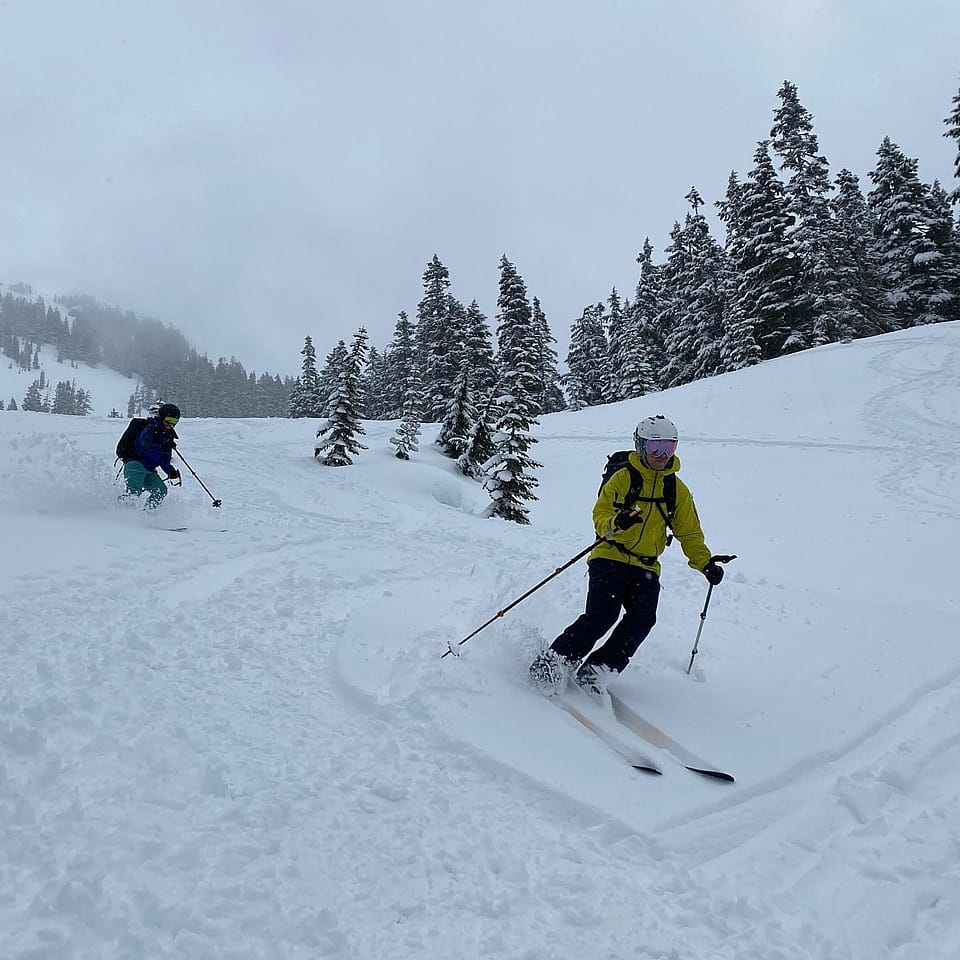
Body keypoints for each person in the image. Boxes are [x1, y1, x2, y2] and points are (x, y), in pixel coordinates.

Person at [529, 414, 726, 697]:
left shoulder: (676, 489)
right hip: (610, 555)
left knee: (642, 619)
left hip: (646, 565)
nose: (662, 455)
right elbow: (600, 514)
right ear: (640, 445)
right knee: (602, 615)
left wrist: (705, 562)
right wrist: (616, 523)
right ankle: (552, 664)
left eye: (669, 447)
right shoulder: (624, 478)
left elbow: (689, 532)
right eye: (654, 447)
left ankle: (597, 669)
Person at [122, 402, 182, 509]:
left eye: (174, 421)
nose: (171, 424)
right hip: (136, 464)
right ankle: (120, 515)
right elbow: (143, 447)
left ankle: (148, 515)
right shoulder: (150, 427)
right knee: (134, 492)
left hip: (149, 469)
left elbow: (164, 459)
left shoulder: (167, 436)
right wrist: (162, 446)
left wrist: (170, 471)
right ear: (162, 416)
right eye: (169, 419)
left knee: (160, 490)